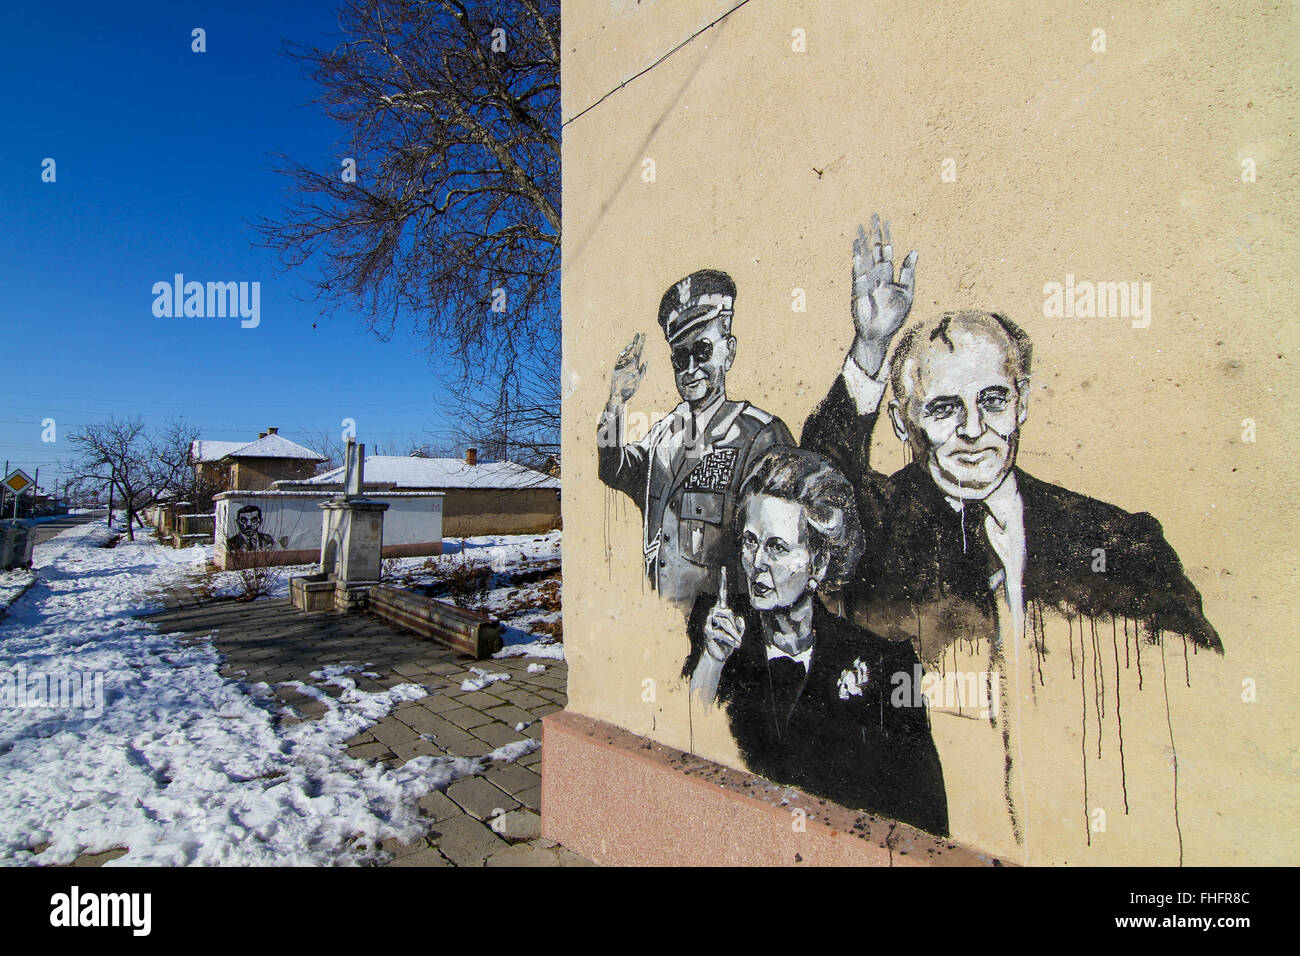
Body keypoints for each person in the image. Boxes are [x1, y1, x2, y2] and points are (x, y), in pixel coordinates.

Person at [800, 218, 1221, 664]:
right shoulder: (874, 528)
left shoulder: (1116, 541)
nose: (973, 428)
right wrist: (870, 346)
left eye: (994, 400)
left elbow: (1199, 672)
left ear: (1021, 405)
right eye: (944, 408)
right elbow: (813, 482)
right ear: (902, 423)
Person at [684, 446, 948, 836]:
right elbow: (685, 735)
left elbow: (924, 815)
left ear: (819, 563)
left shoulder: (887, 666)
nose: (757, 563)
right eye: (751, 541)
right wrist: (714, 659)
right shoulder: (714, 627)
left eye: (777, 547)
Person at [598, 269, 794, 607]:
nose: (690, 368)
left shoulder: (760, 434)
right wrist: (616, 401)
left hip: (725, 630)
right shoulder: (663, 433)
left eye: (702, 351)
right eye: (680, 357)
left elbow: (780, 544)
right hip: (663, 616)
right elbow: (613, 468)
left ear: (728, 352)